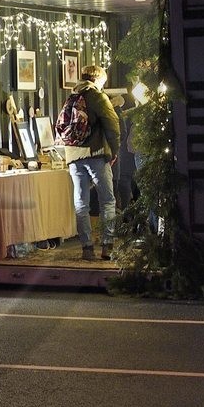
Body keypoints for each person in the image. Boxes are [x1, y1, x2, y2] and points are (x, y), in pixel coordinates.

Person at [66, 64, 121, 261]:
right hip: (96, 153)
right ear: (97, 79)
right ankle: (107, 246)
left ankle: (87, 248)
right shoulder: (97, 96)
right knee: (107, 201)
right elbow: (112, 125)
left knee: (81, 203)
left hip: (73, 156)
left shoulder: (72, 96)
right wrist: (113, 151)